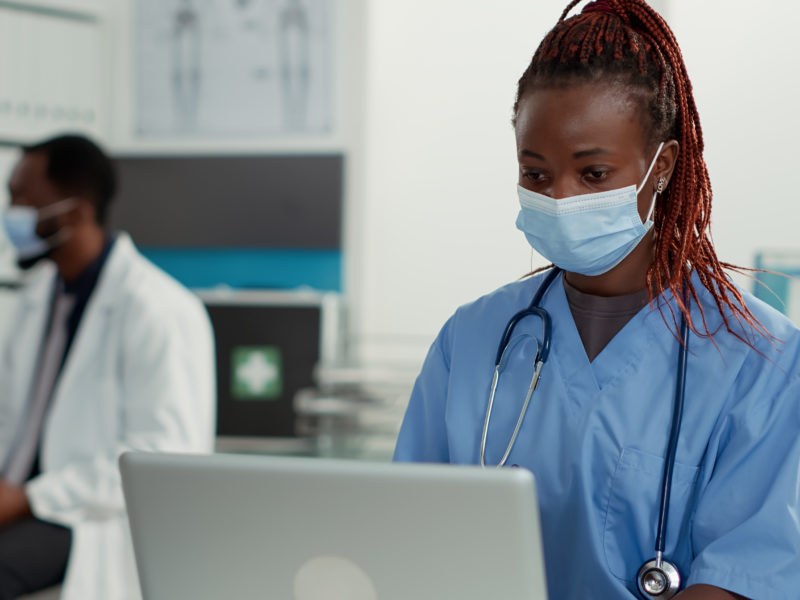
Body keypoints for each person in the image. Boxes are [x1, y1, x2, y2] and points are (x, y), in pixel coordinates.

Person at [393, 2, 800, 599]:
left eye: (592, 175)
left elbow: (748, 576)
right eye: (535, 174)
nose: (558, 197)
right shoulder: (472, 339)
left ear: (660, 166)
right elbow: (405, 537)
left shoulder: (762, 359)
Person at [0, 134, 216, 600]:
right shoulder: (38, 298)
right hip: (21, 501)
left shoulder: (159, 309)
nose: (10, 211)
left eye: (21, 197)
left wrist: (32, 497)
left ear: (74, 212)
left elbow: (165, 457)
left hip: (91, 520)